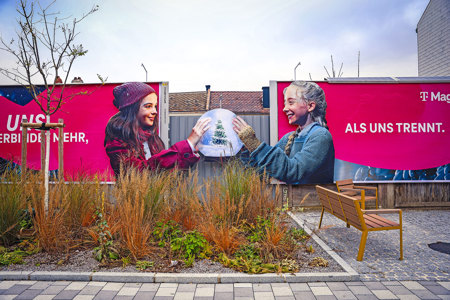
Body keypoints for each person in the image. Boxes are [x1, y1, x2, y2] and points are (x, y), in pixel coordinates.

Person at [233, 81, 334, 184]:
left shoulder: (321, 136)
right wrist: (246, 147)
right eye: (285, 103)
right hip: (290, 199)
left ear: (310, 106)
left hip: (313, 200)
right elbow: (263, 172)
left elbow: (293, 172)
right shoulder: (289, 138)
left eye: (291, 102)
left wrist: (255, 144)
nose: (285, 109)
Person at [104, 82, 210, 176]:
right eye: (148, 106)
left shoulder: (151, 138)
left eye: (155, 106)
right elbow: (140, 172)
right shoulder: (117, 140)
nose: (154, 111)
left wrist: (190, 151)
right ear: (132, 109)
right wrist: (188, 144)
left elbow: (168, 172)